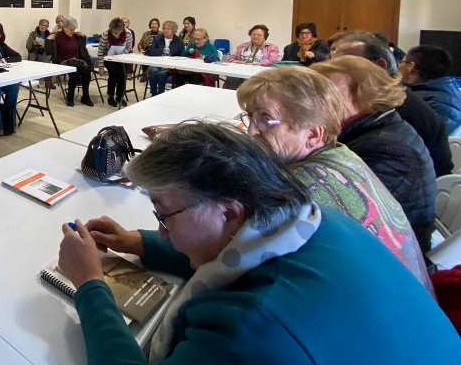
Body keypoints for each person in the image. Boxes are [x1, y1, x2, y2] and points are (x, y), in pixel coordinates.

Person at [58, 122, 459, 364]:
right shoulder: (320, 221)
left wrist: (91, 286)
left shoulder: (245, 328)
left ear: (229, 212)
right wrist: (137, 243)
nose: (161, 230)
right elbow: (236, 256)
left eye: (164, 215)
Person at [236, 66, 432, 289]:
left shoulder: (299, 192)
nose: (251, 132)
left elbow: (239, 267)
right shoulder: (343, 155)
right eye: (250, 117)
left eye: (266, 119)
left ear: (312, 134)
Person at [311, 56, 437, 252]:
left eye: (326, 94)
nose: (311, 103)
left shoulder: (387, 149)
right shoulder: (374, 129)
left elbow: (343, 214)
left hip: (393, 256)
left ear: (367, 96)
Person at [331, 32, 453, 176]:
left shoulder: (396, 109)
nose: (332, 74)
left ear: (379, 66)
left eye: (343, 66)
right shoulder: (390, 99)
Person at [400, 45, 461, 134]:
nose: (398, 66)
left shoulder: (421, 102)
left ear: (411, 67)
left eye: (401, 62)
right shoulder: (449, 90)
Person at [46, 16, 94, 107]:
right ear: (64, 27)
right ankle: (70, 97)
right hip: (63, 62)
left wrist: (83, 37)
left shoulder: (76, 36)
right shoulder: (57, 36)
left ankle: (85, 96)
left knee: (87, 72)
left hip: (77, 61)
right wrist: (48, 40)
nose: (73, 31)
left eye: (74, 29)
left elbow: (83, 49)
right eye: (71, 29)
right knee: (75, 72)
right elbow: (48, 52)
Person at [97, 17, 133, 107]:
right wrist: (101, 67)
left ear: (122, 29)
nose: (115, 35)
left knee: (122, 76)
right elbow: (100, 51)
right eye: (113, 32)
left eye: (117, 33)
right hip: (108, 58)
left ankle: (120, 96)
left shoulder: (128, 33)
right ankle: (110, 96)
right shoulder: (106, 34)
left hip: (121, 58)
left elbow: (129, 47)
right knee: (113, 75)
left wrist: (121, 55)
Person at [144, 20, 184, 96]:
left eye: (168, 29)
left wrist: (170, 53)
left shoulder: (178, 41)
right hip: (157, 63)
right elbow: (150, 51)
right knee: (152, 70)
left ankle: (160, 93)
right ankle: (154, 93)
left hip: (170, 66)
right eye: (164, 28)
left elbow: (181, 54)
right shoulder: (157, 38)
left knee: (162, 73)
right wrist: (163, 51)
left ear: (174, 30)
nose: (165, 30)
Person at [26, 18, 54, 89]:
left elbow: (51, 48)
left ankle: (48, 83)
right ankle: (33, 82)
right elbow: (28, 46)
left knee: (48, 60)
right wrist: (33, 43)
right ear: (39, 25)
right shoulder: (33, 34)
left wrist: (46, 44)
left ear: (47, 27)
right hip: (35, 52)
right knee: (34, 57)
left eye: (45, 25)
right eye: (42, 25)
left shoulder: (50, 35)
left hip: (44, 53)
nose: (43, 27)